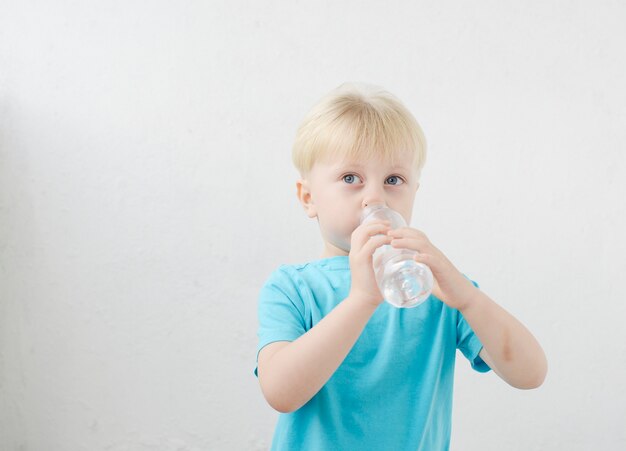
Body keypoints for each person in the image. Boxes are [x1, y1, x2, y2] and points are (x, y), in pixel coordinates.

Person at [253, 82, 548, 450]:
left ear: (414, 193)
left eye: (393, 180)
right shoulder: (292, 288)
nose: (374, 197)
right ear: (308, 197)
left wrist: (469, 299)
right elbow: (281, 392)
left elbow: (530, 374)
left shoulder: (438, 287)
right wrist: (362, 299)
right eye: (351, 178)